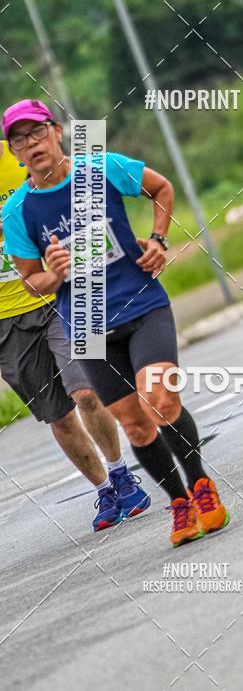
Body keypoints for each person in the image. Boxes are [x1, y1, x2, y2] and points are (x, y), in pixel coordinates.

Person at [2, 99, 229, 547]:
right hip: (85, 323)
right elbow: (32, 283)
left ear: (57, 132)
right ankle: (179, 502)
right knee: (135, 424)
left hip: (140, 303)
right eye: (20, 139)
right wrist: (55, 272)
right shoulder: (16, 212)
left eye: (38, 132)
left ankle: (200, 484)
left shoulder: (101, 167)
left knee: (159, 398)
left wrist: (160, 240)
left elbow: (161, 187)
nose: (32, 144)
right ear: (13, 152)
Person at [0, 124, 148, 531]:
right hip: (5, 320)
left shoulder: (19, 158)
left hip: (62, 294)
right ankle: (105, 489)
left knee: (86, 391)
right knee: (58, 415)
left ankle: (120, 471)